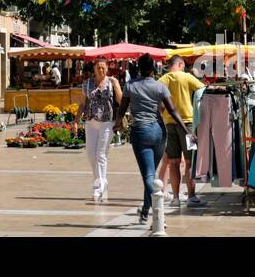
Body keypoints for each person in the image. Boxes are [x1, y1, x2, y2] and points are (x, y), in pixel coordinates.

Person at [114, 53, 188, 223]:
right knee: (152, 175)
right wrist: (186, 130)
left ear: (139, 69)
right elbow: (172, 110)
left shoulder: (130, 86)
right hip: (159, 132)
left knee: (148, 176)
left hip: (141, 132)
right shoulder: (160, 86)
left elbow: (122, 108)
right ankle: (146, 211)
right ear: (153, 69)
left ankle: (160, 206)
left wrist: (118, 123)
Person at [157, 55, 205, 207]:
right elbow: (202, 89)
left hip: (169, 124)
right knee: (190, 161)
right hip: (188, 125)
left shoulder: (162, 80)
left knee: (173, 162)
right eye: (183, 66)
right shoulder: (186, 77)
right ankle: (191, 196)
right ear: (180, 64)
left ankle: (176, 198)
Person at [80, 59, 122, 203]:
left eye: (103, 68)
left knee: (101, 154)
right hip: (91, 121)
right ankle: (102, 181)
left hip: (106, 122)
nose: (101, 70)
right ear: (94, 69)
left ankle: (99, 188)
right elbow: (82, 103)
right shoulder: (87, 83)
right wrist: (75, 120)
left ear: (107, 69)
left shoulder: (111, 83)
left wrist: (117, 86)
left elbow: (121, 101)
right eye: (98, 68)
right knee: (91, 155)